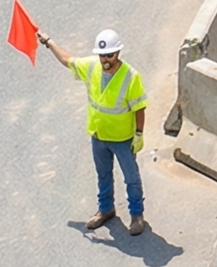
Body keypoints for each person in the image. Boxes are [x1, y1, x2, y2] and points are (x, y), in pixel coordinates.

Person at [40, 27, 148, 235]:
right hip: (98, 135)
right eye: (102, 55)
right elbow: (68, 61)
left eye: (109, 55)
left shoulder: (130, 77)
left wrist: (139, 134)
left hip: (122, 138)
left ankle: (137, 215)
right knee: (103, 175)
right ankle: (106, 209)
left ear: (118, 53)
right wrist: (48, 42)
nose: (105, 60)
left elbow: (139, 107)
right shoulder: (92, 67)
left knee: (131, 177)